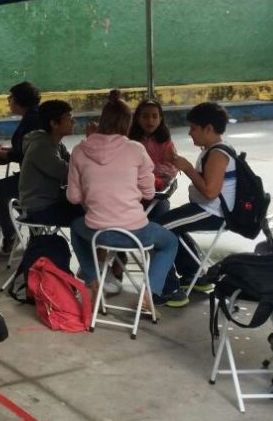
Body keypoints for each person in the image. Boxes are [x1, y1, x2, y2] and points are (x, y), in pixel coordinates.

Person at [66, 90, 179, 306]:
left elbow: (73, 197)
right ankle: (150, 293)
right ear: (128, 122)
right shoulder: (135, 149)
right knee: (170, 242)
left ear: (102, 120)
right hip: (135, 233)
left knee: (76, 227)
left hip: (97, 233)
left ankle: (92, 278)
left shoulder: (79, 150)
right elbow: (148, 193)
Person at [154, 102, 235, 307]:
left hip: (214, 212)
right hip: (207, 208)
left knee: (158, 230)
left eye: (193, 128)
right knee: (171, 225)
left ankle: (168, 290)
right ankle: (195, 275)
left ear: (208, 129)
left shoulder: (218, 154)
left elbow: (210, 191)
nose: (190, 133)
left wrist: (188, 168)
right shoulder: (211, 150)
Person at [0, 81, 43, 253]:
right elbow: (23, 148)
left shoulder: (31, 120)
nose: (8, 101)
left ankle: (11, 234)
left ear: (19, 100)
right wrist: (3, 150)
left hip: (34, 179)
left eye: (10, 98)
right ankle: (31, 226)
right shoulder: (33, 116)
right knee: (5, 192)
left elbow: (19, 154)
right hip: (35, 175)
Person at [18, 99, 82, 227]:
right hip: (40, 209)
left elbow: (75, 163)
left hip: (52, 201)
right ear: (54, 123)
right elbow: (70, 174)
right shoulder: (41, 146)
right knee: (91, 214)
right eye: (69, 117)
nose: (73, 121)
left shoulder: (55, 143)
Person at [128, 98, 178, 220]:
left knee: (161, 213)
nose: (150, 120)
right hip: (132, 193)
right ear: (137, 119)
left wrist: (148, 175)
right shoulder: (130, 141)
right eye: (145, 116)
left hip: (157, 194)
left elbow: (171, 171)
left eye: (154, 116)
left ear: (160, 119)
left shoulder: (166, 142)